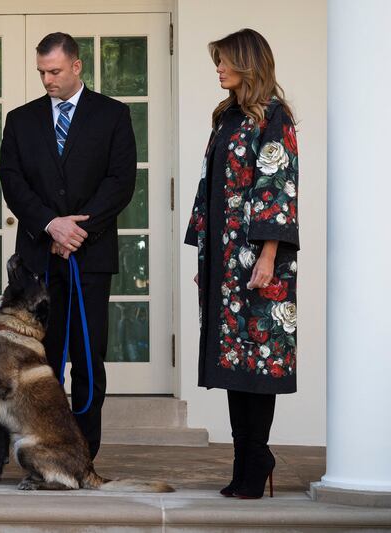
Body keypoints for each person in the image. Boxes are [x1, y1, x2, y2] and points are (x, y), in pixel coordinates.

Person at [0, 32, 136, 460]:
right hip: (39, 260)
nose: (47, 80)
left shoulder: (113, 115)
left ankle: (82, 451)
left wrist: (78, 230)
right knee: (40, 358)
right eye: (41, 72)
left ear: (77, 66)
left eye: (54, 71)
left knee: (88, 356)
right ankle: (41, 447)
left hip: (90, 259)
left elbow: (121, 181)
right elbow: (12, 180)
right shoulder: (20, 120)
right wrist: (50, 224)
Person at [185, 28, 299, 499]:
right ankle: (244, 462)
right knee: (233, 361)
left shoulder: (275, 116)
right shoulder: (226, 116)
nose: (218, 67)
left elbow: (277, 184)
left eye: (225, 60)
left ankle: (257, 459)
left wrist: (269, 255)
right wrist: (203, 252)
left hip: (258, 261)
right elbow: (209, 183)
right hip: (224, 258)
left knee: (261, 359)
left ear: (248, 62)